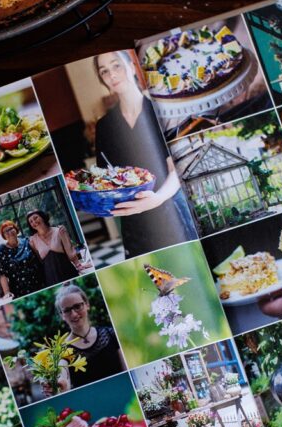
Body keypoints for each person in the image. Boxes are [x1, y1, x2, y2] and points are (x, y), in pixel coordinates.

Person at [93, 50, 197, 256]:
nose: (112, 75)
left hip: (170, 210)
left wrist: (156, 199)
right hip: (134, 221)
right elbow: (106, 177)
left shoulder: (163, 110)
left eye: (116, 66)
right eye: (104, 71)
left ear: (131, 66)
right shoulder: (104, 126)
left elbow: (177, 169)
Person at [55, 284, 125, 386]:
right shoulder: (62, 350)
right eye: (67, 310)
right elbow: (63, 378)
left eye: (77, 306)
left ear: (87, 304)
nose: (74, 314)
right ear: (62, 315)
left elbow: (127, 369)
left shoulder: (111, 334)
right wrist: (60, 384)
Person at [26, 209, 80, 286]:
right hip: (50, 276)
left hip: (67, 271)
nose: (34, 222)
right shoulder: (32, 241)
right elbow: (40, 260)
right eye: (31, 221)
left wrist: (78, 265)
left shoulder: (59, 231)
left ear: (42, 217)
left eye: (35, 218)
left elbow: (70, 251)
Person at [0, 220, 46, 299]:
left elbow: (40, 258)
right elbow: (2, 274)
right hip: (19, 290)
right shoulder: (2, 251)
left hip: (39, 283)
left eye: (10, 229)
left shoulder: (27, 241)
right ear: (4, 236)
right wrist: (7, 292)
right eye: (6, 231)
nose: (9, 232)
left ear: (16, 229)